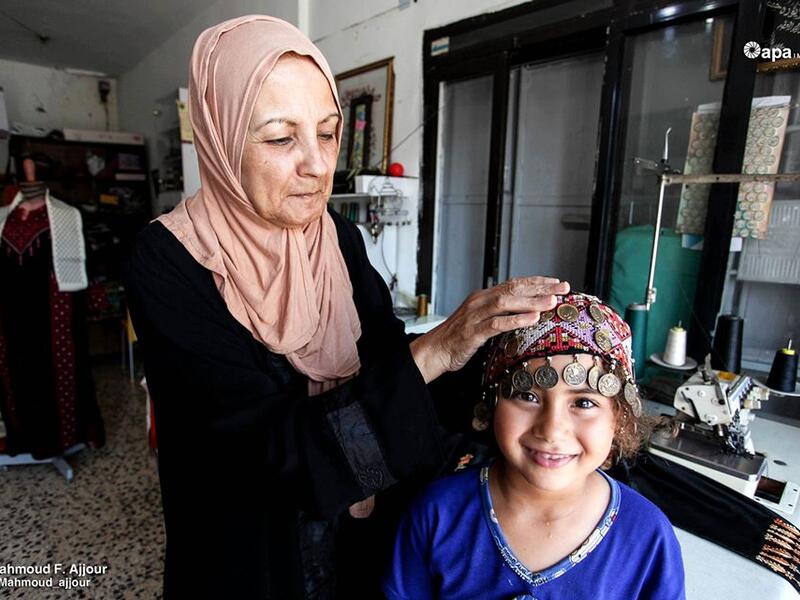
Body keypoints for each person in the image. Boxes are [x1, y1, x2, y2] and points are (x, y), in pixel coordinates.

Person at [124, 15, 569, 599]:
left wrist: (499, 362)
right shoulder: (168, 261)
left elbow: (388, 367)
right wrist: (436, 348)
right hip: (252, 553)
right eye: (281, 138)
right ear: (221, 137)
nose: (317, 163)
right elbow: (264, 448)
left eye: (329, 132)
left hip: (355, 540)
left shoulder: (334, 236)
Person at [384, 293, 686, 599]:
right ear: (492, 405)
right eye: (527, 396)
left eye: (583, 402)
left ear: (618, 417)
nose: (552, 430)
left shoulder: (647, 537)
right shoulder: (437, 515)